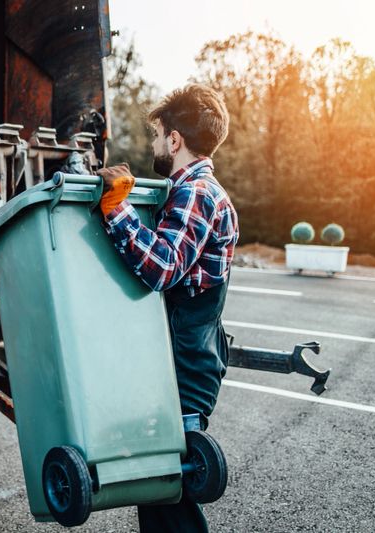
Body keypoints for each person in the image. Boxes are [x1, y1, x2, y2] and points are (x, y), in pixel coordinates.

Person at [96, 84, 239, 532]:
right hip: (184, 361)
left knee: (163, 489)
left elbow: (161, 269)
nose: (155, 144)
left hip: (185, 370)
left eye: (158, 135)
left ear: (174, 140)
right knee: (158, 492)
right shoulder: (193, 190)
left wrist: (116, 210)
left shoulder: (196, 191)